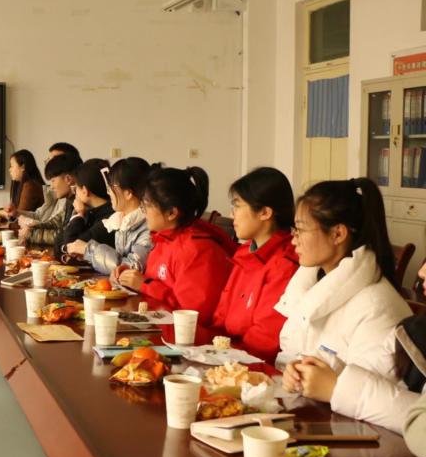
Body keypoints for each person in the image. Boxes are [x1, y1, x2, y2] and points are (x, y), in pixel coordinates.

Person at [278, 178, 414, 432]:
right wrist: (296, 374)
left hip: (370, 439)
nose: (293, 240)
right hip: (326, 422)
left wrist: (332, 386)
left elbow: (386, 405)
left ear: (338, 234)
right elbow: (305, 357)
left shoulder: (376, 305)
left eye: (300, 230)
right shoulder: (317, 287)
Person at [117, 166, 235, 327]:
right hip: (161, 324)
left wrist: (145, 285)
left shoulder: (198, 250)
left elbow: (192, 314)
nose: (143, 213)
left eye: (146, 206)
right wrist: (129, 278)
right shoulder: (164, 238)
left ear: (171, 213)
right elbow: (158, 284)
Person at [205, 167, 299, 362]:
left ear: (264, 212)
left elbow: (264, 340)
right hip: (227, 356)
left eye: (238, 206)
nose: (232, 215)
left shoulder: (285, 265)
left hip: (252, 365)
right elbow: (221, 317)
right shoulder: (245, 252)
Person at [82, 157, 153, 274]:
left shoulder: (148, 226)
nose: (108, 192)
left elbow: (131, 268)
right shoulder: (121, 219)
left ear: (128, 193)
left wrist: (89, 250)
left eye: (111, 187)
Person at [6, 142, 79, 223]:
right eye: (48, 160)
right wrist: (17, 213)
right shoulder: (55, 193)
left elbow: (56, 228)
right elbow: (39, 215)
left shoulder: (73, 200)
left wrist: (30, 225)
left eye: (55, 160)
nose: (50, 163)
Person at [21, 153, 81, 248]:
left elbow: (65, 236)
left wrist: (31, 234)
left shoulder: (81, 203)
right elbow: (56, 222)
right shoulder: (69, 200)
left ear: (68, 179)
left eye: (53, 181)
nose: (51, 187)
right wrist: (31, 226)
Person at [61, 158, 115, 257]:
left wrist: (79, 215)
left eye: (76, 188)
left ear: (85, 191)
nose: (75, 193)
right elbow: (59, 242)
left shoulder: (110, 219)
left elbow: (71, 247)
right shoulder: (92, 212)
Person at [3, 150, 45, 217]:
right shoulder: (24, 184)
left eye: (12, 166)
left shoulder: (30, 186)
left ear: (23, 167)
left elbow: (19, 216)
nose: (9, 169)